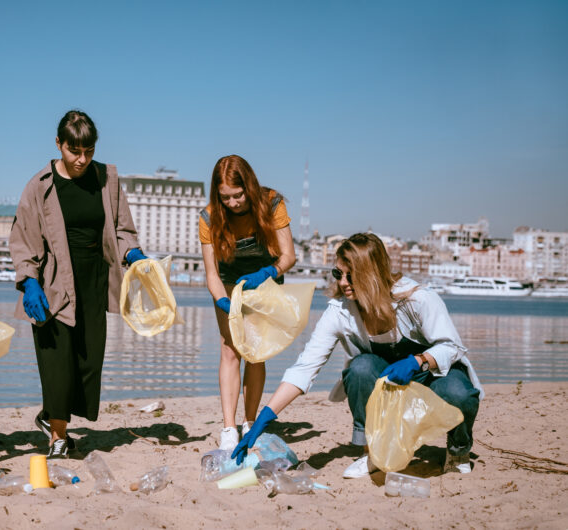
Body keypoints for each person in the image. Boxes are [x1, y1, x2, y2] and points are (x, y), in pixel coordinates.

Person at [232, 233, 483, 476]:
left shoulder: (418, 299)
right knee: (360, 368)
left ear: (372, 273)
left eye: (351, 276)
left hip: (431, 376)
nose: (342, 283)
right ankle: (371, 452)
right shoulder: (340, 311)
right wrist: (263, 419)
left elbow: (453, 347)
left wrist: (419, 360)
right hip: (388, 384)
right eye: (338, 274)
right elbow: (305, 368)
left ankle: (458, 451)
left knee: (459, 393)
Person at [9, 109, 144, 458]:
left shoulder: (107, 178)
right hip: (53, 281)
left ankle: (49, 417)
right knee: (57, 360)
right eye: (74, 151)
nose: (82, 160)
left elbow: (123, 229)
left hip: (95, 280)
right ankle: (58, 437)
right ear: (58, 144)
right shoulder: (38, 185)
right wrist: (29, 282)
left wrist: (135, 255)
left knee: (87, 362)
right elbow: (23, 238)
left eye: (89, 151)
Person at [199, 155, 296, 451]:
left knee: (255, 352)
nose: (233, 203)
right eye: (225, 197)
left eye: (238, 195)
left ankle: (249, 421)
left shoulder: (272, 203)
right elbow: (211, 274)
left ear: (249, 187)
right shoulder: (209, 216)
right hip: (228, 280)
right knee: (230, 349)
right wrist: (222, 300)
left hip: (264, 280)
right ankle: (229, 427)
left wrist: (268, 272)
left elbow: (288, 256)